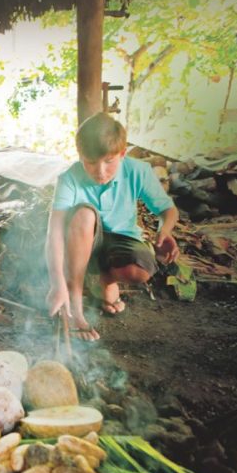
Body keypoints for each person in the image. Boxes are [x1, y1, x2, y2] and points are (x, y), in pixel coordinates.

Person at [45, 112, 179, 341]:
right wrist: (57, 283)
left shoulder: (138, 171)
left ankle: (104, 280)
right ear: (80, 156)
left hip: (120, 240)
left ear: (122, 153)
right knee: (85, 215)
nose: (100, 171)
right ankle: (76, 304)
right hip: (80, 241)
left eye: (109, 161)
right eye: (90, 163)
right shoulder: (69, 178)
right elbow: (55, 232)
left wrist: (164, 229)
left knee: (140, 270)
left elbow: (168, 210)